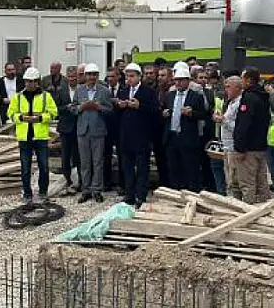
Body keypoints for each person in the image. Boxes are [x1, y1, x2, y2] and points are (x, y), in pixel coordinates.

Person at [9, 67, 58, 204]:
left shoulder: (46, 96)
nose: (30, 84)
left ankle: (43, 193)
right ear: (25, 81)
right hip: (25, 137)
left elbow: (53, 113)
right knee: (25, 168)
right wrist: (21, 118)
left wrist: (40, 118)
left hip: (40, 137)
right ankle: (27, 194)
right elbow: (11, 114)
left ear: (37, 82)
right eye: (28, 81)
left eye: (33, 81)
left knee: (44, 167)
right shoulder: (18, 97)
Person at [116, 64, 159, 207]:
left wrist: (139, 106)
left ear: (139, 76)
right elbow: (117, 113)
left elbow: (155, 110)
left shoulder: (148, 92)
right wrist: (120, 106)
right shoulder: (123, 91)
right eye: (127, 76)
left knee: (142, 168)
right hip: (126, 136)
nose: (129, 79)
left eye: (132, 76)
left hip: (142, 136)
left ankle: (141, 195)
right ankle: (129, 194)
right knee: (127, 168)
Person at [71, 63, 114, 203]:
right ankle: (86, 190)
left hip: (98, 130)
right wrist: (81, 107)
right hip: (83, 130)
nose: (91, 77)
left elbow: (110, 110)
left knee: (98, 162)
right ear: (85, 76)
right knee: (84, 162)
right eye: (89, 74)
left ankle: (97, 190)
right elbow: (72, 108)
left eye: (94, 74)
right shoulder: (79, 91)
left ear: (98, 76)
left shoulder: (104, 91)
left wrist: (98, 107)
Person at [162, 65, 208, 191]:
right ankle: (176, 191)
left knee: (190, 167)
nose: (178, 83)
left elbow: (203, 114)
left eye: (181, 80)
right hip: (172, 136)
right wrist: (164, 113)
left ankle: (191, 191)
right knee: (173, 167)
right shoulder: (169, 95)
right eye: (176, 80)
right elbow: (164, 110)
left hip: (188, 137)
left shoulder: (196, 96)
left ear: (188, 81)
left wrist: (191, 113)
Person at [232, 68, 272, 204]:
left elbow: (244, 123)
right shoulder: (263, 96)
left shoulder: (248, 97)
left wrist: (240, 147)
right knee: (262, 182)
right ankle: (266, 208)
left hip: (248, 149)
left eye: (242, 78)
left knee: (247, 183)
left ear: (249, 80)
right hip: (261, 146)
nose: (241, 81)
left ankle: (249, 210)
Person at [55, 66, 81, 192]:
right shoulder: (61, 91)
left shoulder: (82, 90)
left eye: (74, 77)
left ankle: (78, 181)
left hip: (78, 127)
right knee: (65, 156)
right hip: (65, 128)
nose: (72, 79)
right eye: (69, 77)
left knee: (77, 156)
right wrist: (67, 107)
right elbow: (56, 108)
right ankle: (67, 180)